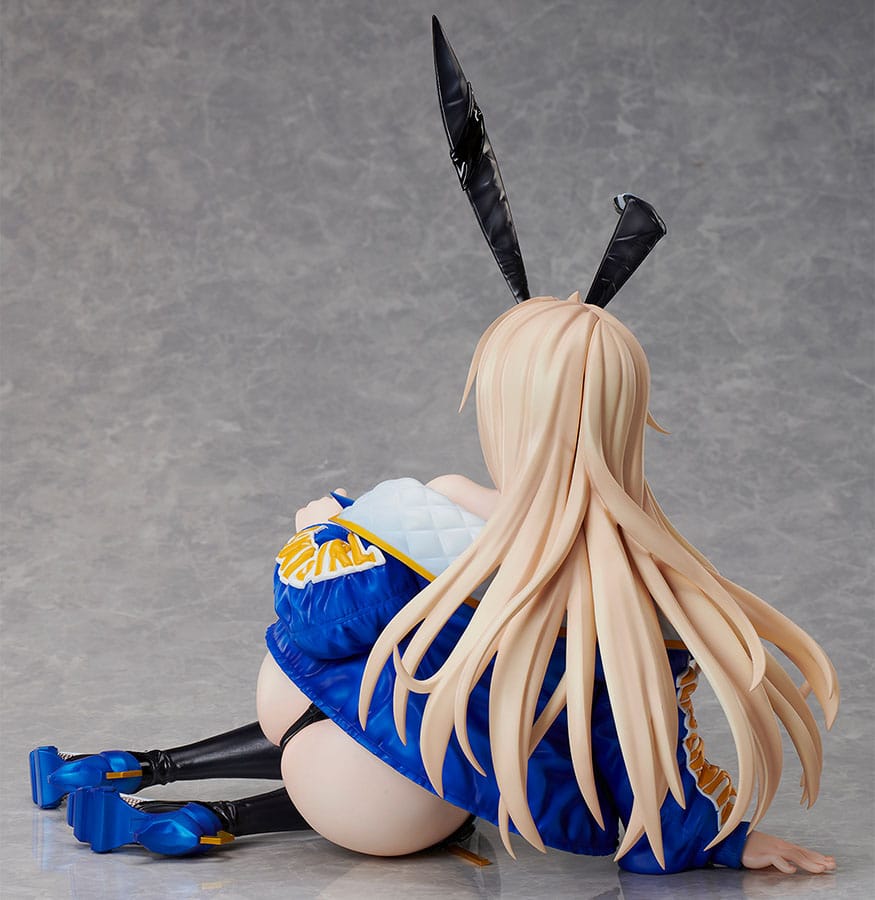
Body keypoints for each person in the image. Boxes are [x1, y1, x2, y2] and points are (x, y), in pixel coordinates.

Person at [31, 296, 839, 875]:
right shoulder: (636, 579)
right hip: (384, 791)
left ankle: (135, 766)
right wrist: (718, 841)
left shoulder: (443, 502)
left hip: (308, 703)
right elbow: (644, 747)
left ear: (507, 412)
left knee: (382, 704)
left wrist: (325, 530)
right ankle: (202, 818)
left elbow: (318, 616)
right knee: (433, 760)